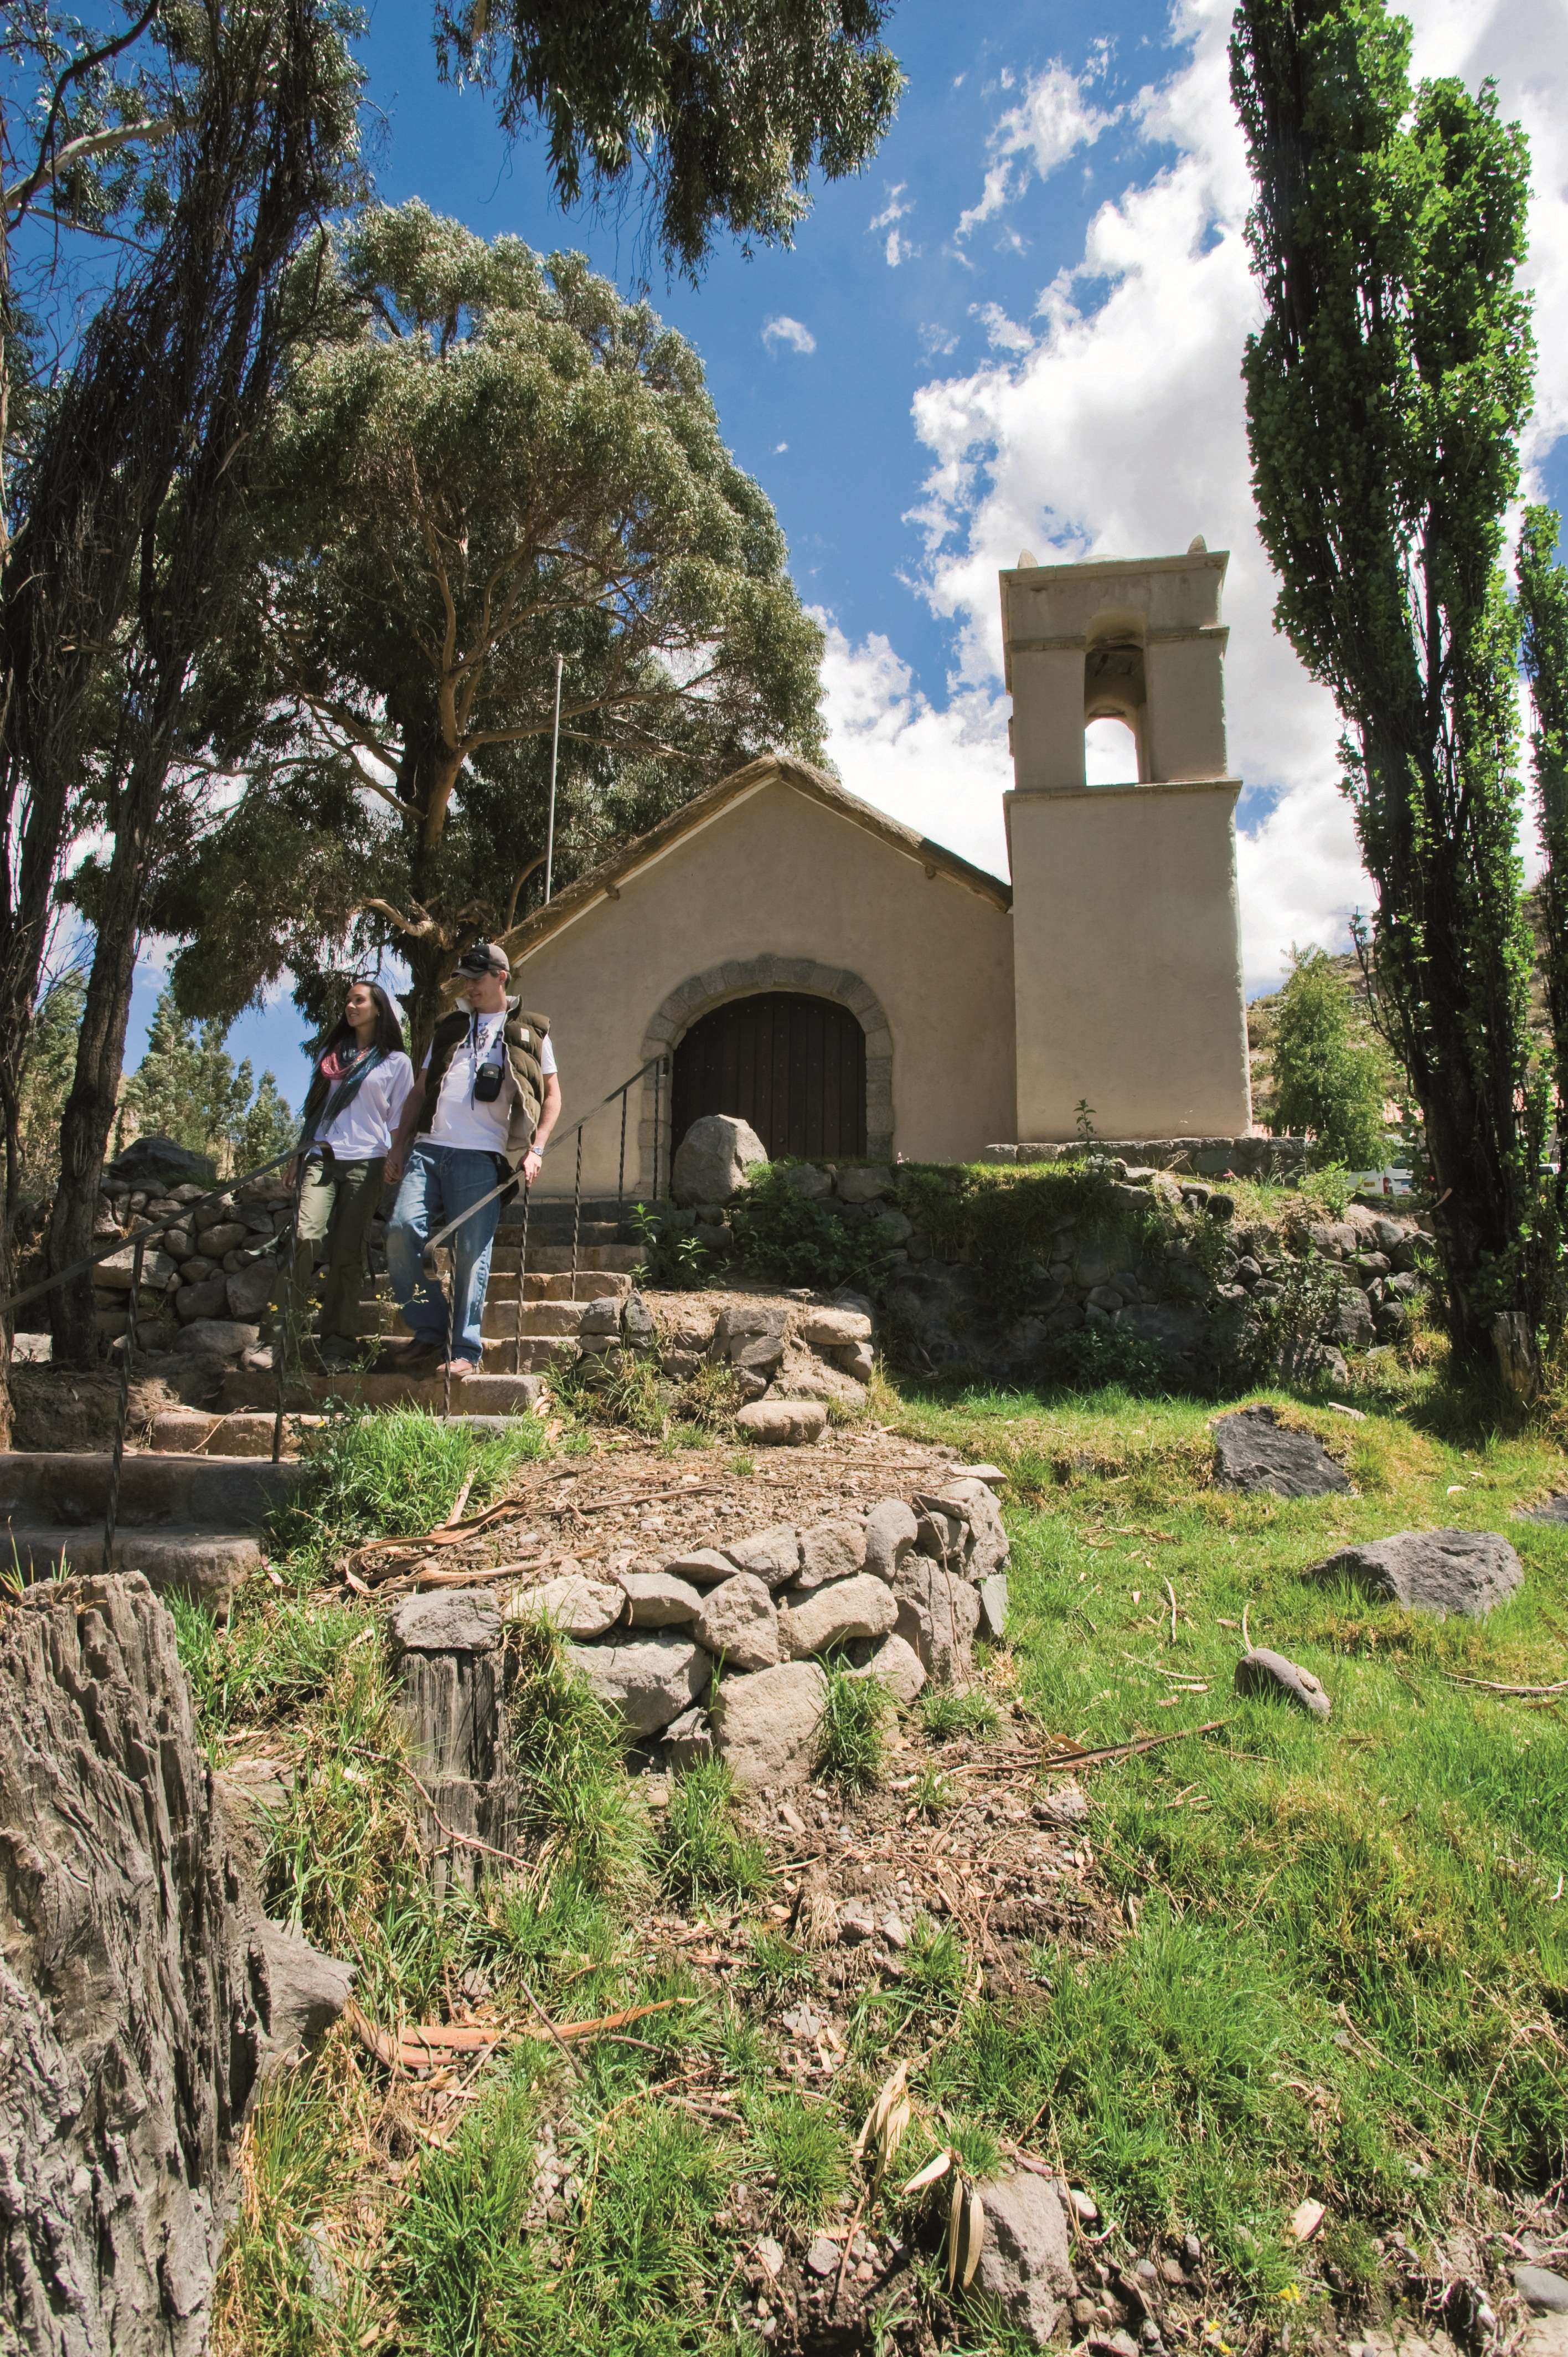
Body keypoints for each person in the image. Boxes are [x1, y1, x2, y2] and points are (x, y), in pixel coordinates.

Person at [381, 942, 560, 1380]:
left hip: (482, 1156)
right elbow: (421, 1090)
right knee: (401, 1230)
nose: (470, 986)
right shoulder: (449, 1027)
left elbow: (554, 1096)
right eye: (465, 979)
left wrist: (536, 1148)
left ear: (501, 976)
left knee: (471, 1252)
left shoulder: (533, 1030)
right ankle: (429, 1328)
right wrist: (400, 1143)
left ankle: (465, 1348)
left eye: (477, 978)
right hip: (428, 1148)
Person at [285, 977, 414, 1367]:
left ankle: (338, 1345)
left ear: (378, 1008)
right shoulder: (330, 1056)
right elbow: (315, 1109)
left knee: (346, 1253)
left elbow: (400, 1118)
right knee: (306, 1236)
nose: (350, 1006)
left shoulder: (396, 1062)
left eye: (359, 1000)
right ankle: (276, 1337)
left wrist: (397, 1155)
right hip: (322, 1155)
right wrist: (297, 1154)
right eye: (348, 1000)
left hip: (368, 1162)